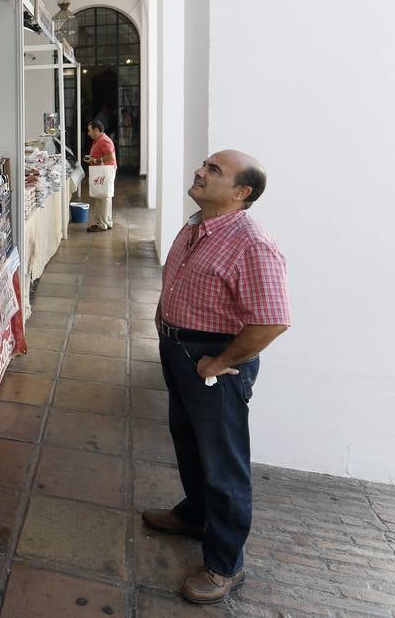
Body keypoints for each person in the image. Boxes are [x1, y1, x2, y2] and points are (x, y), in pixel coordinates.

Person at [142, 150, 291, 605]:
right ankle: (195, 514)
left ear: (241, 193)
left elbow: (271, 320)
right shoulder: (197, 225)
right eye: (204, 165)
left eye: (214, 171)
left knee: (224, 461)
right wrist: (164, 316)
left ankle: (226, 563)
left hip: (212, 363)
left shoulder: (252, 243)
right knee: (187, 439)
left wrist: (220, 360)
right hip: (180, 350)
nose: (200, 172)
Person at [83, 118, 117, 232]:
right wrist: (93, 158)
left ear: (96, 130)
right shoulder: (100, 140)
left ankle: (101, 224)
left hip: (105, 170)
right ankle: (107, 222)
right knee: (105, 196)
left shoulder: (103, 141)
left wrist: (96, 161)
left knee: (102, 197)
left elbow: (110, 157)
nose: (88, 133)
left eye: (90, 131)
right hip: (105, 170)